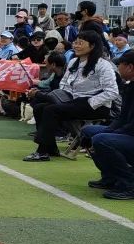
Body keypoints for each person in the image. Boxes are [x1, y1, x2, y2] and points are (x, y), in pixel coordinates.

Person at [24, 31, 119, 162]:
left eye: (81, 43)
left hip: (96, 105)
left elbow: (112, 92)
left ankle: (42, 151)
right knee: (40, 107)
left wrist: (90, 102)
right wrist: (62, 97)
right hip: (73, 101)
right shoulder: (74, 61)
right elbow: (64, 84)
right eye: (75, 42)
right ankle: (51, 148)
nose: (76, 46)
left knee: (51, 110)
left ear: (92, 46)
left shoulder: (103, 65)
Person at [80, 50, 134, 199]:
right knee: (88, 132)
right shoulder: (130, 86)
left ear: (130, 67)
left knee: (101, 140)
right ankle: (111, 177)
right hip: (128, 133)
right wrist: (110, 131)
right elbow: (122, 118)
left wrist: (110, 134)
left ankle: (129, 184)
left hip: (131, 134)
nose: (118, 68)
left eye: (120, 65)